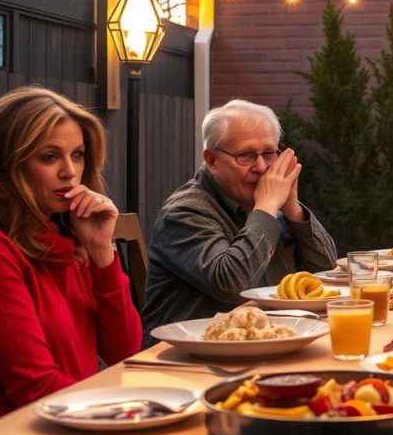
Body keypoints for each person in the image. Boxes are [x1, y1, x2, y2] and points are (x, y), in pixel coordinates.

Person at [0, 86, 142, 435]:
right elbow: (36, 388)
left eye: (78, 155)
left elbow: (124, 352)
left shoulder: (61, 236)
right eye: (48, 157)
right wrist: (136, 416)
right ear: (5, 164)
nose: (70, 172)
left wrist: (101, 251)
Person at [142, 99, 337, 342]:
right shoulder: (184, 212)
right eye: (246, 155)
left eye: (268, 153)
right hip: (187, 361)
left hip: (267, 346)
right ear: (212, 160)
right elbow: (233, 286)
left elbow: (325, 271)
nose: (262, 167)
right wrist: (267, 208)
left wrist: (292, 210)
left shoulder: (266, 200)